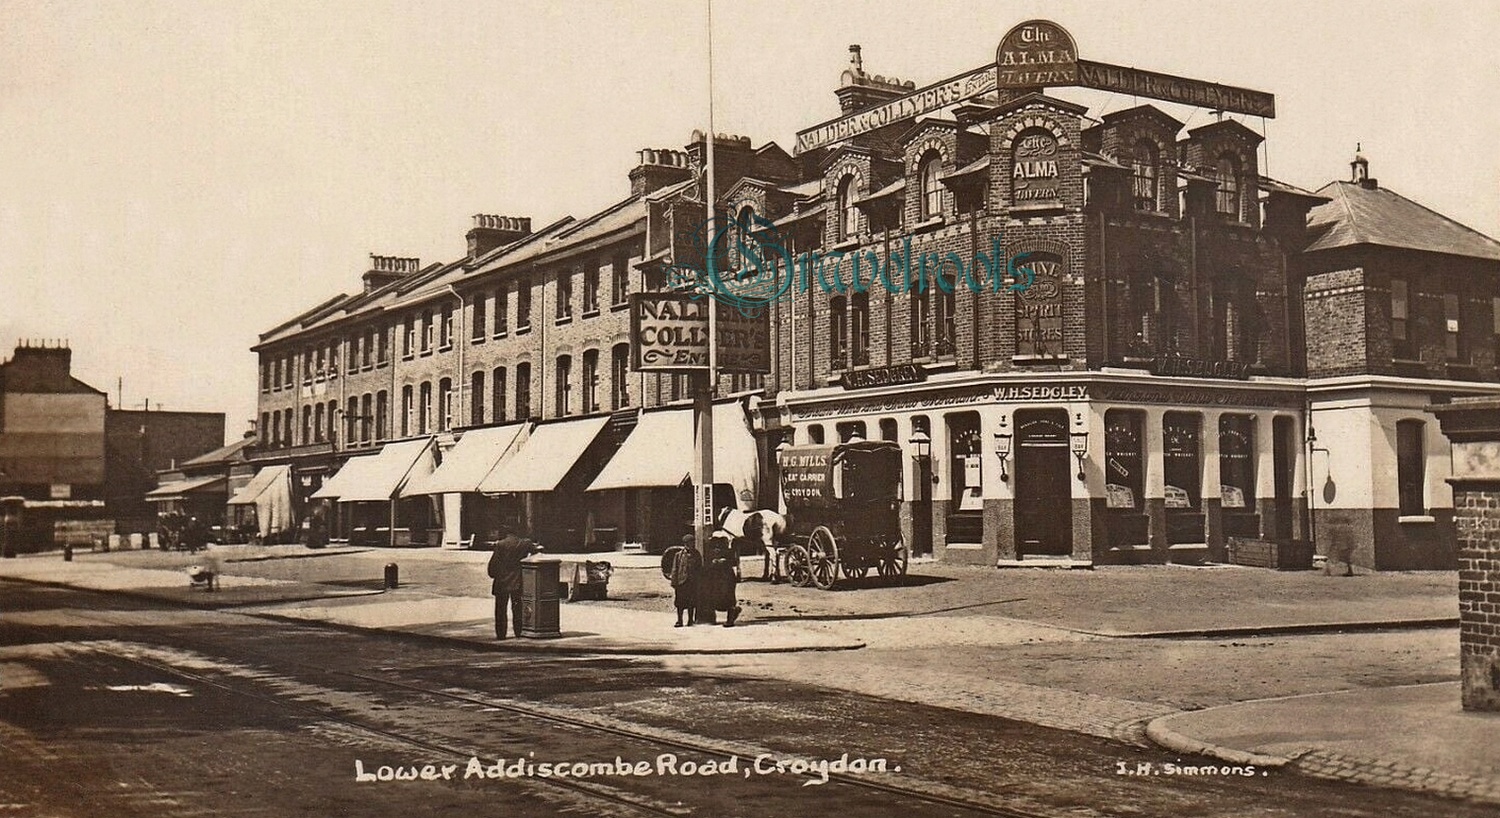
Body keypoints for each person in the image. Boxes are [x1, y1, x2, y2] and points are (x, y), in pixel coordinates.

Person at [487, 529, 536, 639]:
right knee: (517, 608)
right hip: (518, 580)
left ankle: (501, 634)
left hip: (501, 581)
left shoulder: (501, 544)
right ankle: (518, 631)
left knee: (500, 609)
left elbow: (494, 564)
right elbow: (536, 552)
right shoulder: (524, 543)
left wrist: (493, 574)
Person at [702, 531, 743, 627]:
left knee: (728, 597)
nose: (717, 546)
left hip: (726, 577)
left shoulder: (729, 551)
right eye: (715, 543)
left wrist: (725, 561)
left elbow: (734, 561)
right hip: (714, 577)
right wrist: (713, 562)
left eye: (719, 543)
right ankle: (712, 618)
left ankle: (730, 618)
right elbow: (706, 563)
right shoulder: (709, 552)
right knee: (713, 597)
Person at [662, 535, 701, 627]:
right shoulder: (678, 555)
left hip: (692, 582)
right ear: (685, 544)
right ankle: (679, 620)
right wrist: (674, 582)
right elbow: (675, 569)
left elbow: (699, 568)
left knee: (692, 602)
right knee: (680, 603)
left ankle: (690, 620)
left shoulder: (696, 554)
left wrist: (699, 581)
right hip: (681, 582)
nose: (691, 545)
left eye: (692, 543)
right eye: (689, 543)